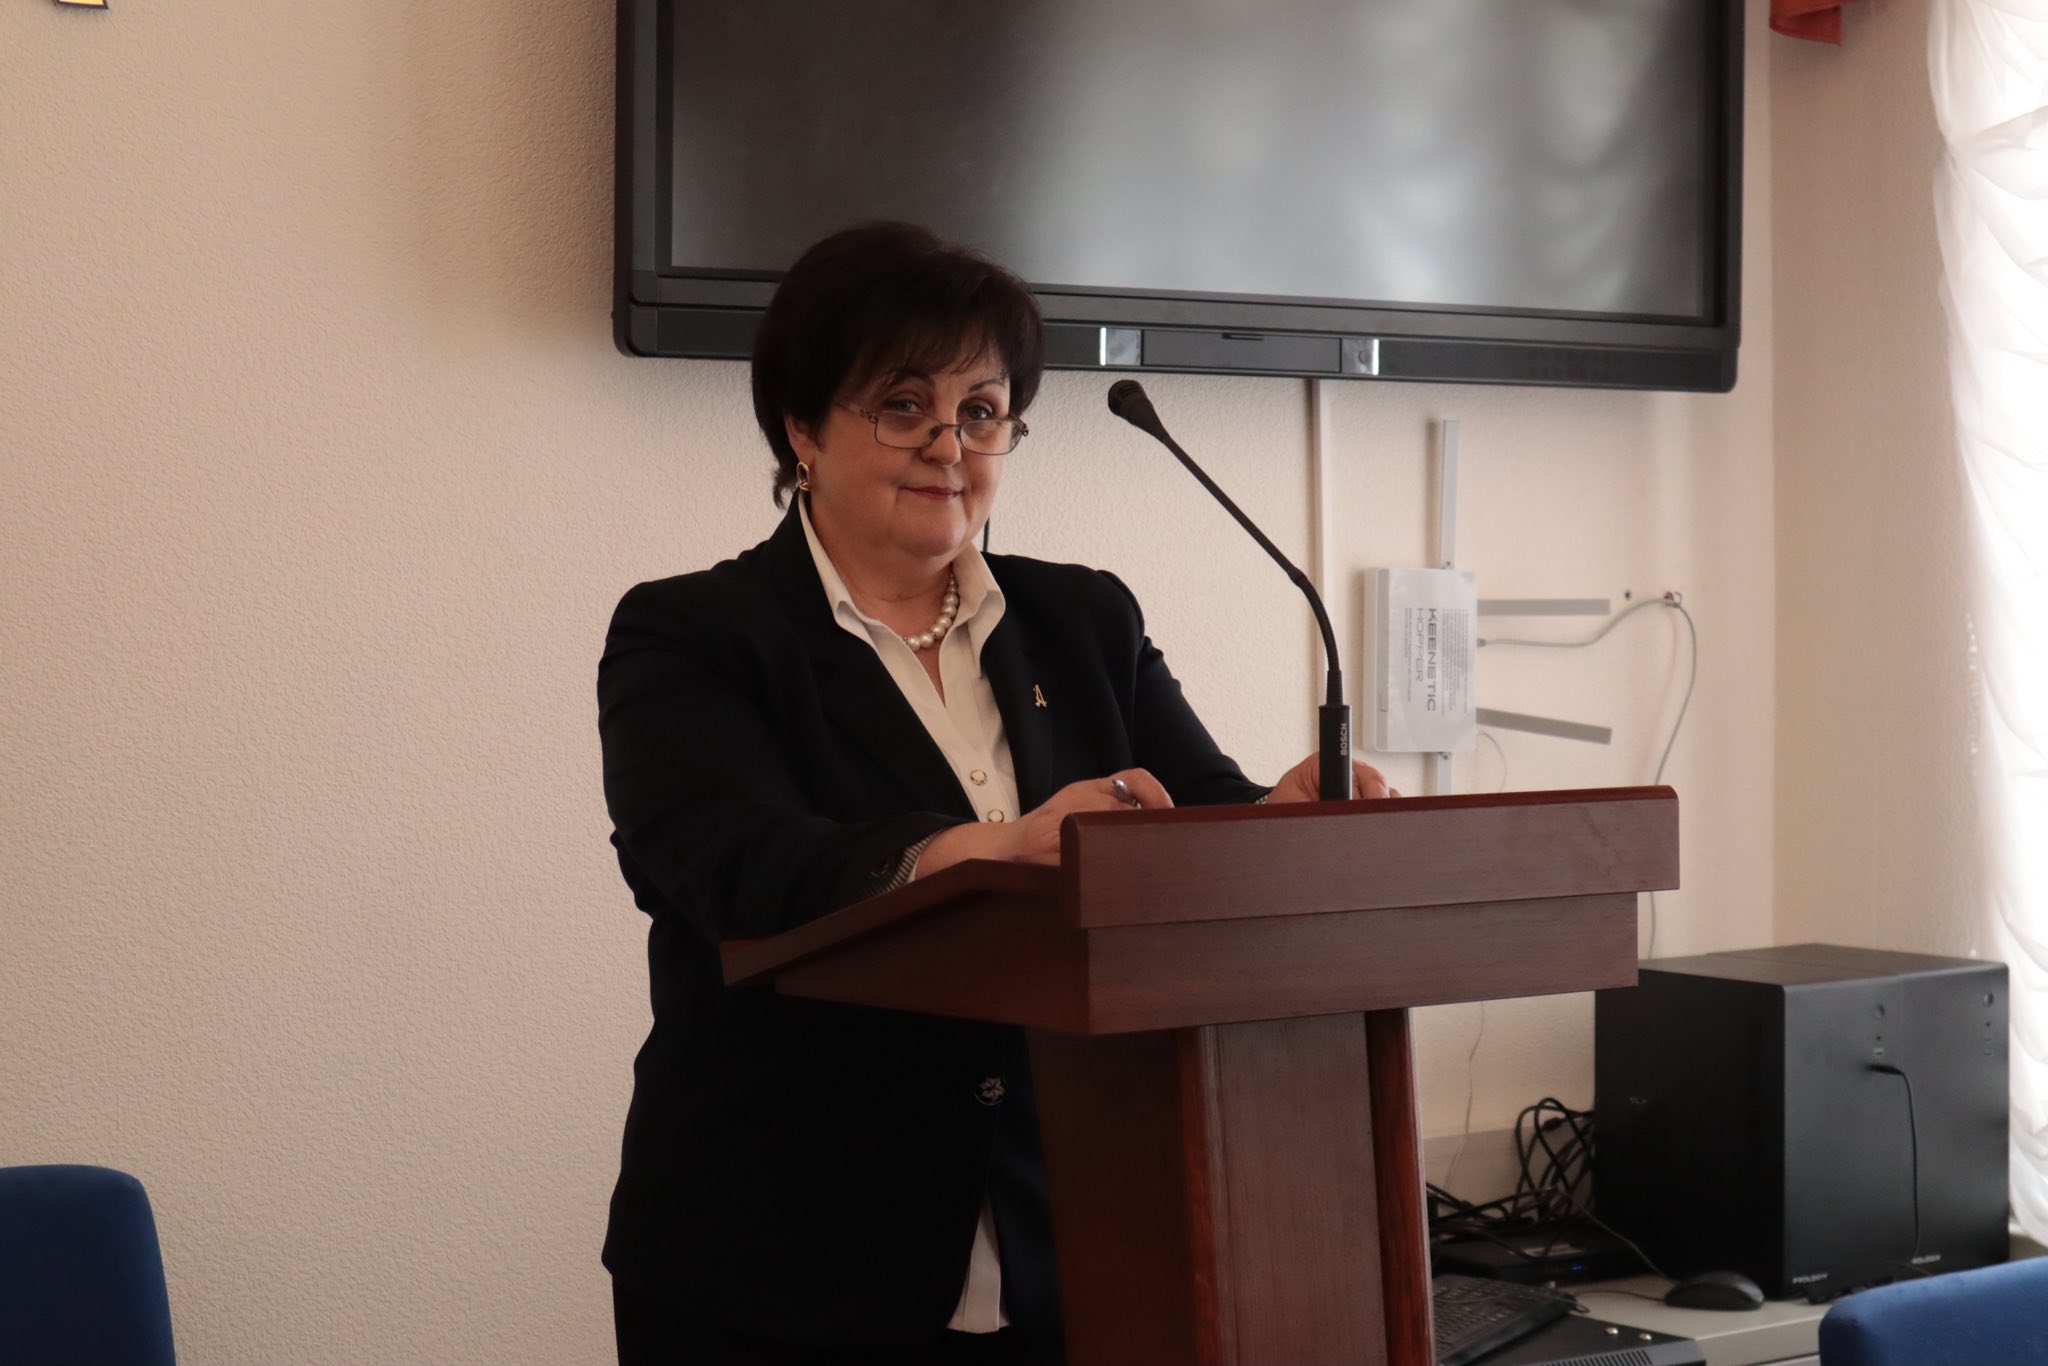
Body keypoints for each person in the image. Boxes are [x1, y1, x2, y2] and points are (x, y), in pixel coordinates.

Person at [597, 222, 1394, 1366]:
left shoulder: (1083, 620)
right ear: (801, 427)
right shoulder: (693, 634)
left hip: (1067, 1255)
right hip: (781, 1265)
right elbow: (727, 863)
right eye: (903, 404)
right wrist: (981, 851)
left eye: (980, 410)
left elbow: (1193, 821)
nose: (949, 444)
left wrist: (1278, 817)